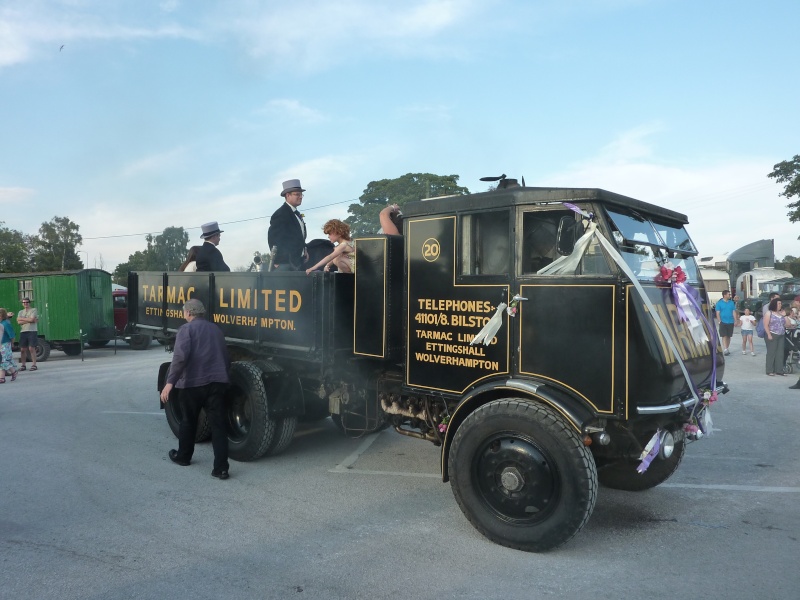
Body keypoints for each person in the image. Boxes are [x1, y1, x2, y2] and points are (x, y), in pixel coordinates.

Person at [159, 299, 231, 479]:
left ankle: (183, 456)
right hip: (217, 383)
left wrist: (169, 382)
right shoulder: (216, 329)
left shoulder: (186, 330)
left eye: (184, 312)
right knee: (218, 426)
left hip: (193, 384)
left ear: (189, 313)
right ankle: (221, 468)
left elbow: (180, 358)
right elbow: (225, 356)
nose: (184, 315)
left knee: (188, 421)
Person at [268, 179, 308, 271]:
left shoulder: (297, 214)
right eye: (297, 194)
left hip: (298, 262)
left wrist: (304, 249)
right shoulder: (280, 214)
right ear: (288, 195)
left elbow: (298, 237)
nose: (301, 197)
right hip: (286, 263)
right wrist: (278, 260)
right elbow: (273, 238)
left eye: (301, 194)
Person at [762, 297, 786, 376]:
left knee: (780, 353)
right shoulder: (769, 313)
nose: (780, 305)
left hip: (781, 334)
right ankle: (769, 370)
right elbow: (765, 325)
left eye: (780, 303)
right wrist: (769, 334)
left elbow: (784, 323)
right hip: (772, 333)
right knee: (771, 352)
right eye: (778, 303)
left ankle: (779, 370)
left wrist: (785, 316)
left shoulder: (781, 313)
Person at [16, 297, 39, 371]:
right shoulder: (20, 312)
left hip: (32, 330)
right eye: (24, 302)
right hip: (23, 331)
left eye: (27, 302)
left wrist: (23, 319)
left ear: (29, 303)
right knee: (22, 349)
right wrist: (29, 320)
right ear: (22, 303)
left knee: (31, 348)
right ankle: (23, 365)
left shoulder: (33, 310)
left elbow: (32, 319)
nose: (25, 303)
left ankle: (34, 364)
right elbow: (18, 322)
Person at [0, 308, 19, 383]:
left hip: (5, 344)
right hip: (1, 344)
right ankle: (2, 377)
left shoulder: (6, 324)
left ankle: (13, 371)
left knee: (3, 360)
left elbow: (12, 335)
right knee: (2, 361)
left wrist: (12, 343)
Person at [715, 290, 737, 356]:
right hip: (723, 322)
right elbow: (717, 313)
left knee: (729, 336)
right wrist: (719, 321)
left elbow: (734, 312)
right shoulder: (719, 303)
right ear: (724, 295)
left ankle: (727, 348)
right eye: (728, 294)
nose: (729, 295)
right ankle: (725, 349)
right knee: (724, 335)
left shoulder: (731, 303)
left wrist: (736, 320)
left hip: (730, 321)